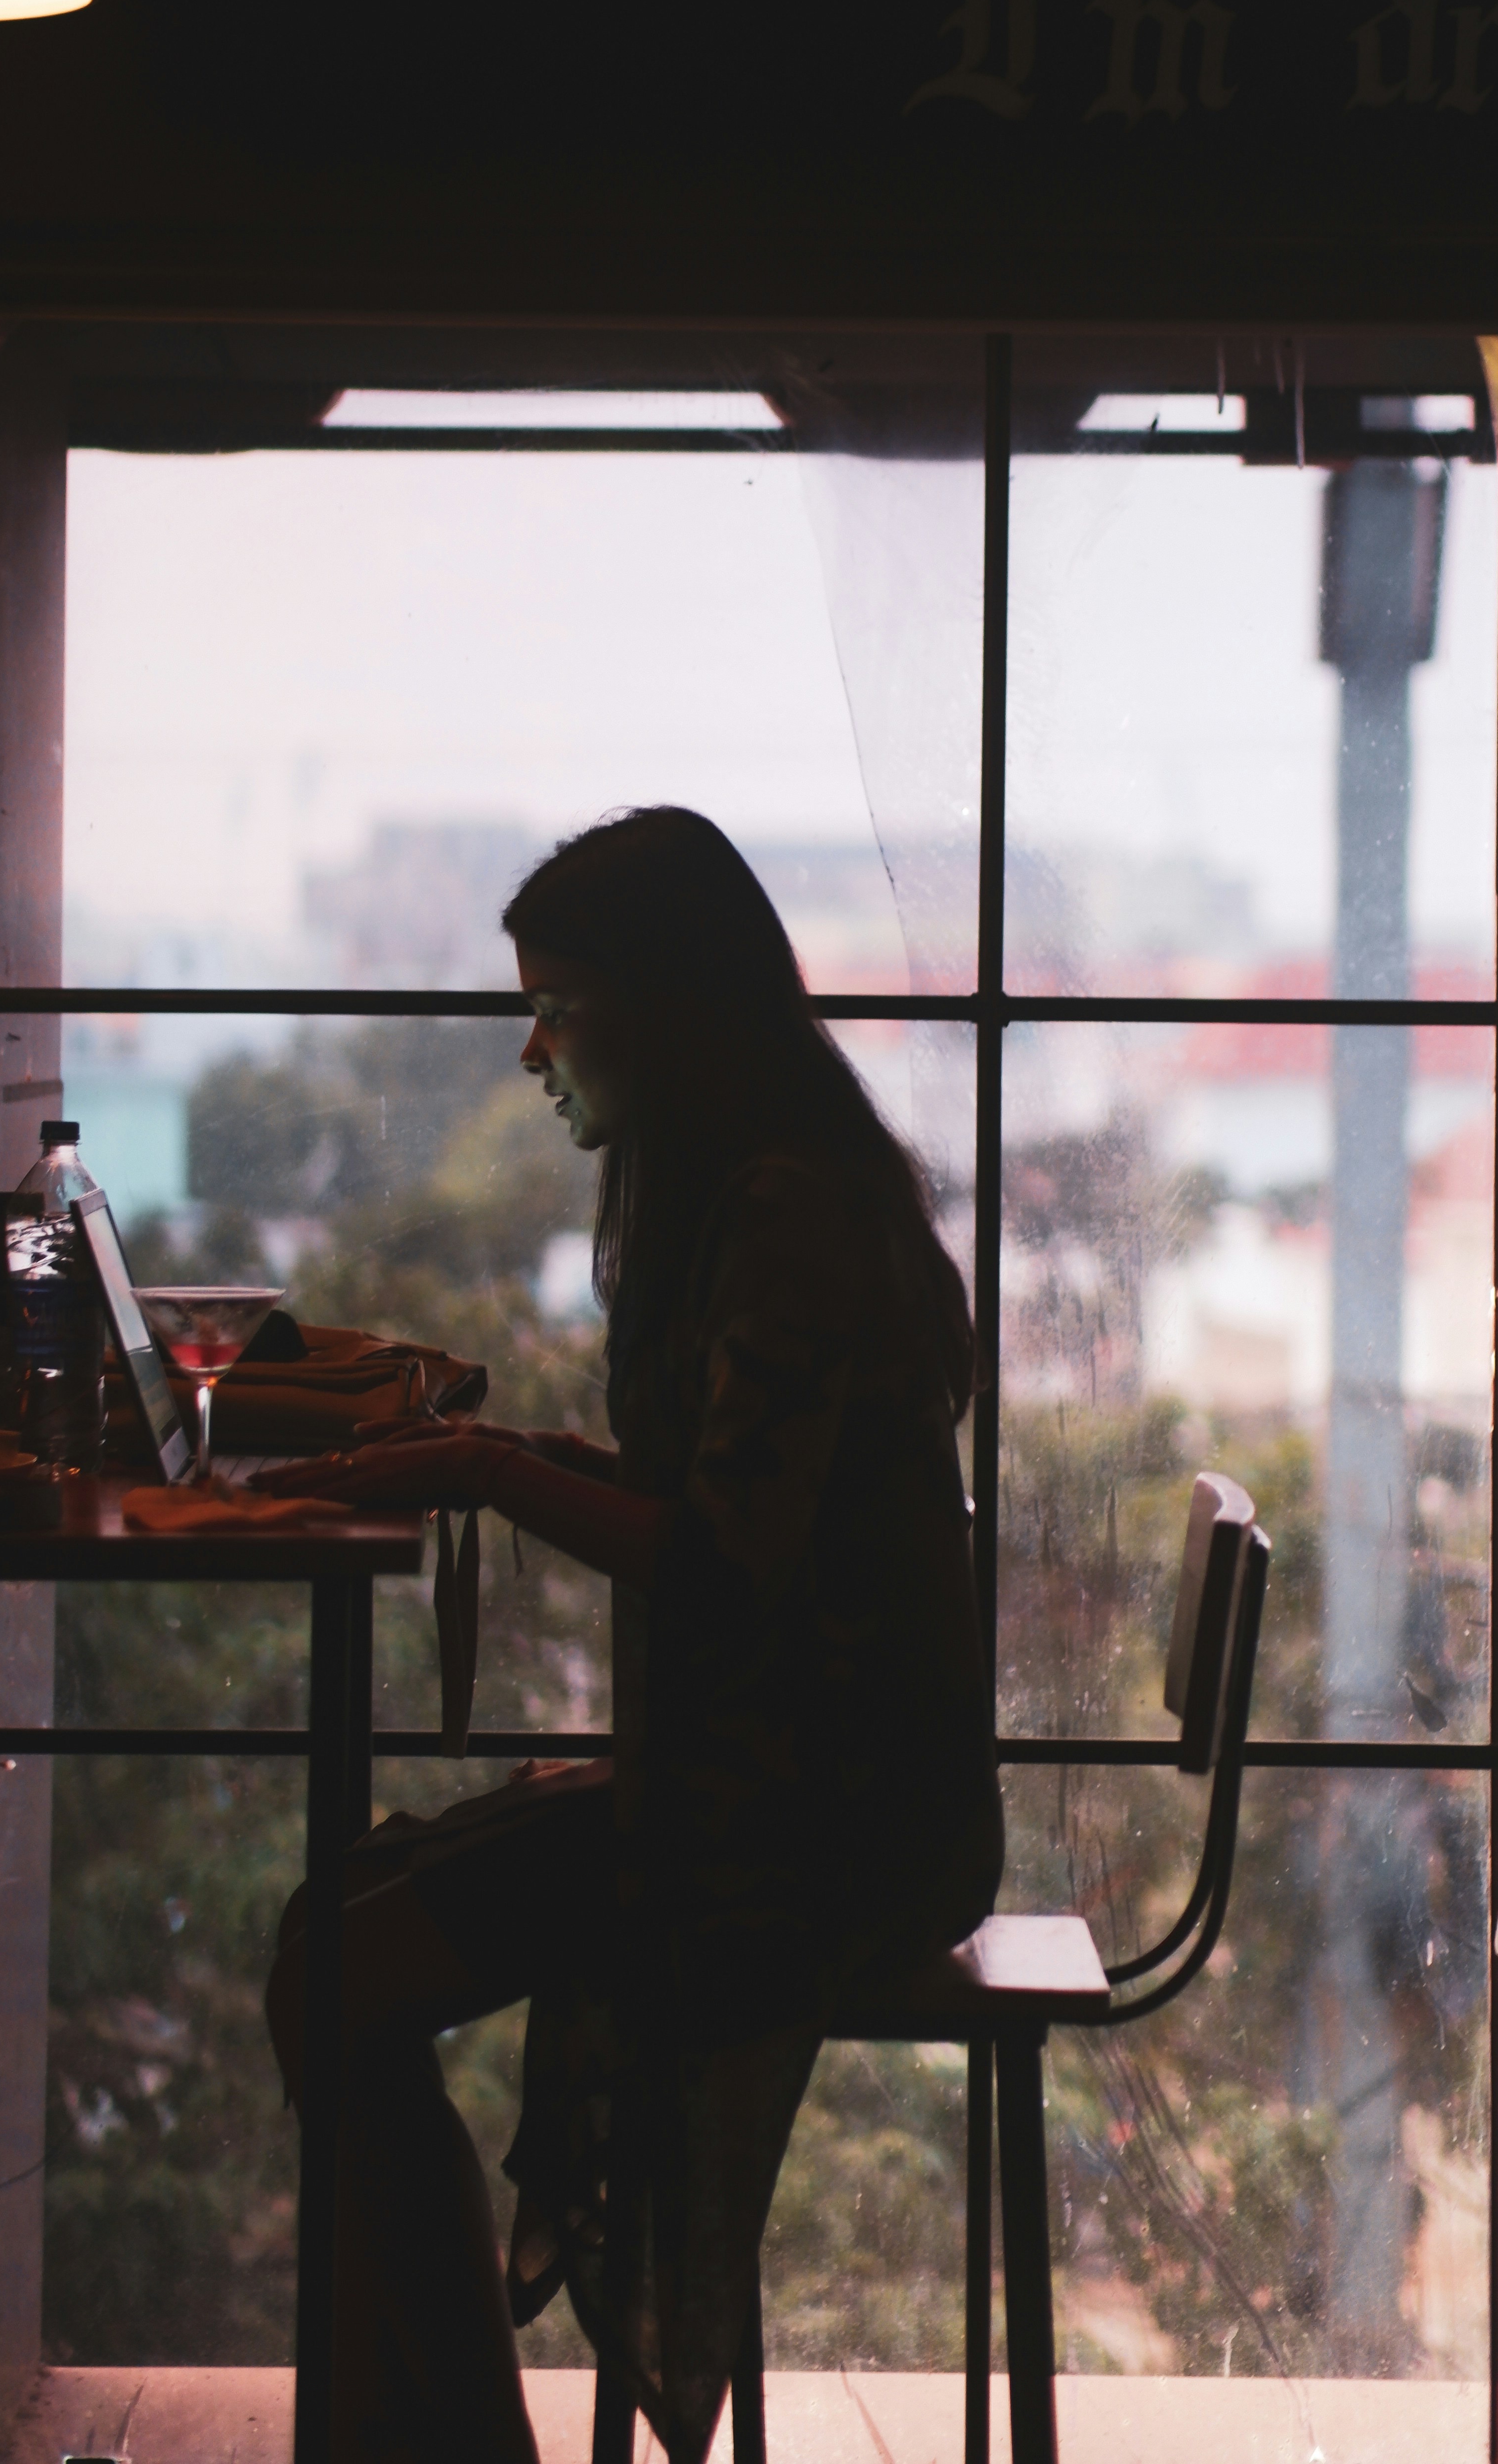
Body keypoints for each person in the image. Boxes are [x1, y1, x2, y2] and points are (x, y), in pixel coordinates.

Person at [264, 807, 1003, 2464]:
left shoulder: (781, 1215)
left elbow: (725, 1562)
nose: (536, 1049)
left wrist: (478, 1465)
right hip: (808, 1783)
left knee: (332, 1963)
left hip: (827, 1829)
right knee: (334, 1938)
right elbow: (741, 1513)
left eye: (562, 1006)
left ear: (660, 1011)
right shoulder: (768, 1187)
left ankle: (441, 2439)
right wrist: (499, 1461)